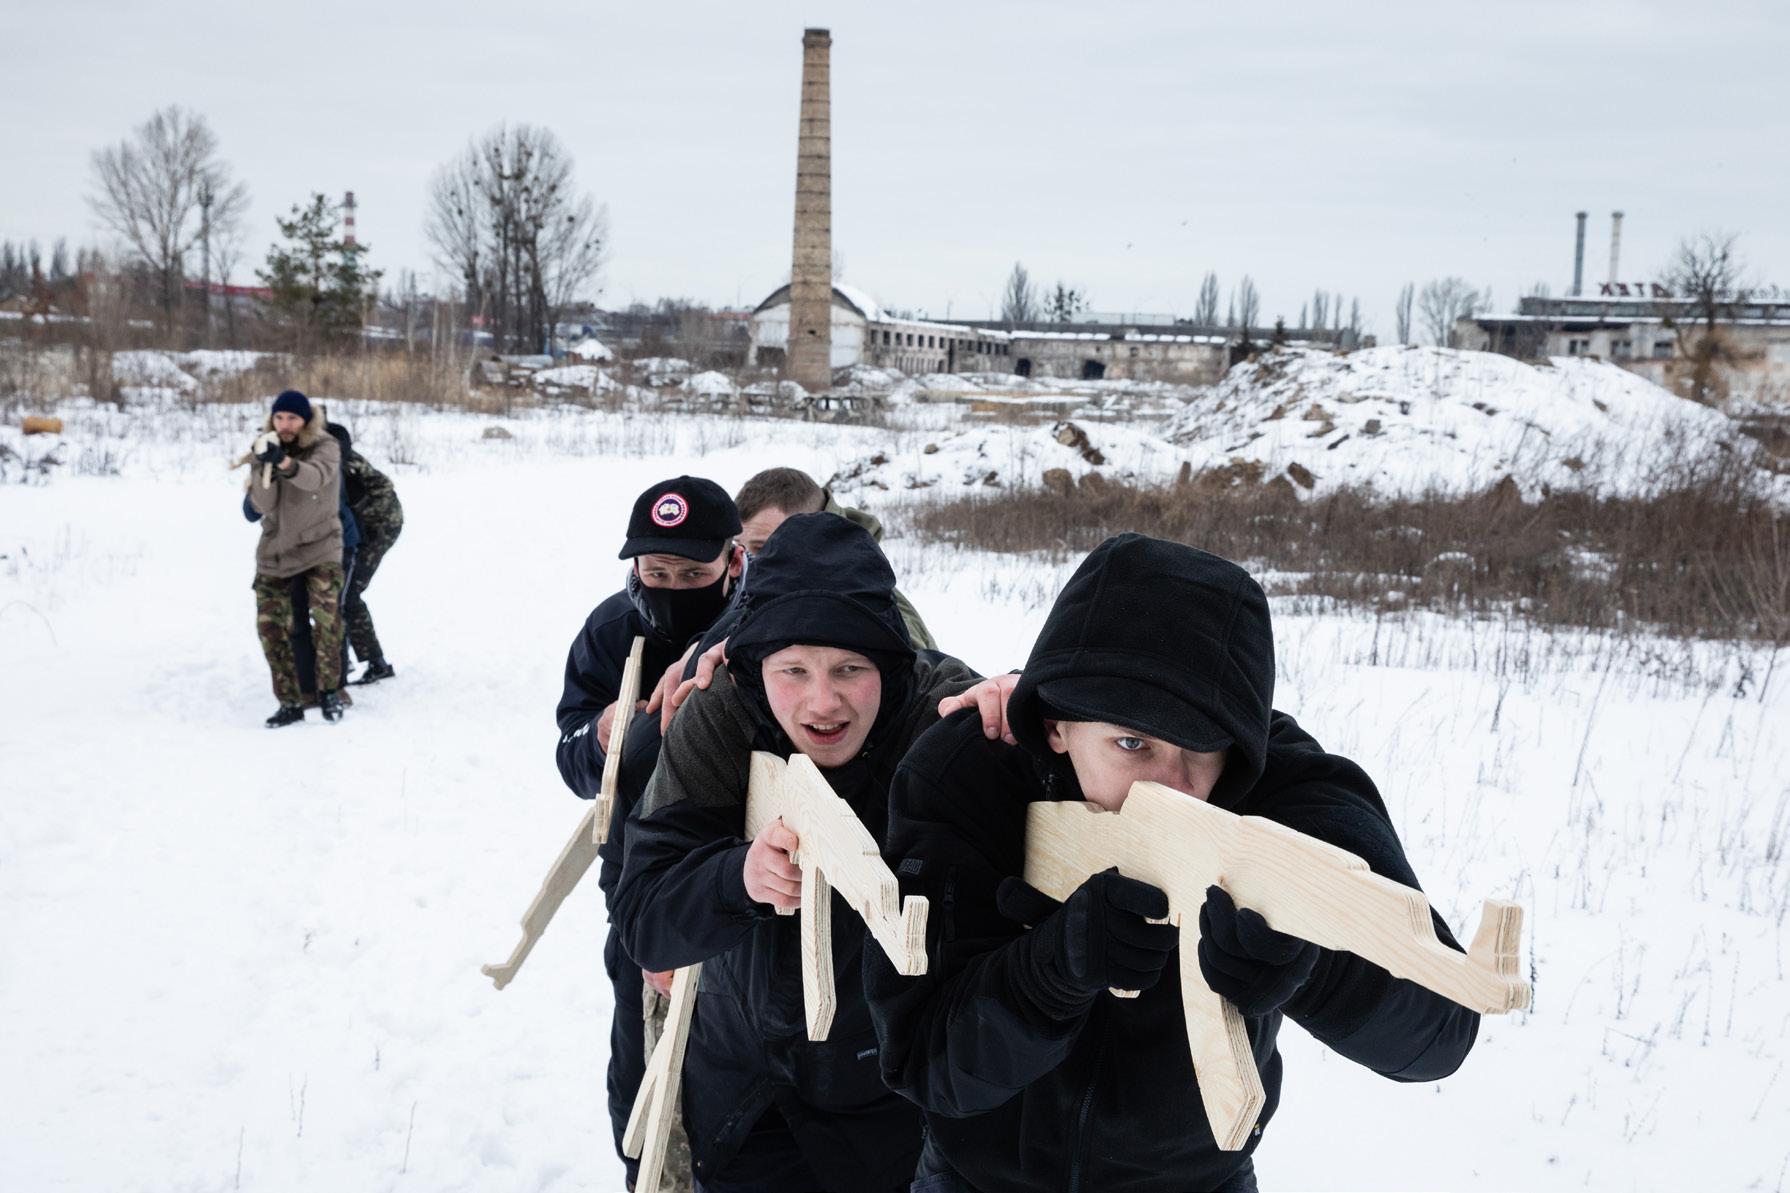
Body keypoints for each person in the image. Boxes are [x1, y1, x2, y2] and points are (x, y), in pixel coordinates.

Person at [865, 534, 1482, 1193]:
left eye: (1202, 747)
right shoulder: (969, 771)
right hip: (979, 1178)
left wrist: (1311, 965)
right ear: (1055, 725)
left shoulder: (1286, 788)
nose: (1171, 786)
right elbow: (922, 1061)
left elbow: (1443, 1025)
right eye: (1132, 743)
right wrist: (1049, 972)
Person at [611, 514, 978, 1192]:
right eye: (794, 670)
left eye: (849, 668)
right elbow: (642, 912)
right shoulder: (723, 711)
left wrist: (1028, 708)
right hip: (745, 1087)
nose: (822, 700)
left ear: (888, 664)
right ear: (757, 664)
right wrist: (736, 876)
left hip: (885, 1092)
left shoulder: (937, 710)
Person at [556, 475, 742, 1191]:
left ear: (732, 559)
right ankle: (650, 1175)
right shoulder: (611, 629)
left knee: (727, 1065)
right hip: (639, 879)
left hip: (744, 881)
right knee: (640, 1062)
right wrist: (602, 735)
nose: (669, 586)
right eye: (654, 572)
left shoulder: (760, 622)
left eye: (691, 574)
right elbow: (570, 754)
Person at [236, 389, 347, 727]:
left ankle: (329, 691)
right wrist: (264, 467)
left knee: (326, 620)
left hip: (320, 547)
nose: (285, 424)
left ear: (306, 421)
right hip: (276, 552)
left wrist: (284, 462)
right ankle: (290, 702)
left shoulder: (325, 446)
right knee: (270, 628)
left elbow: (314, 479)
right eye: (280, 417)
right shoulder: (264, 447)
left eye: (293, 418)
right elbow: (262, 507)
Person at [733, 466, 935, 650]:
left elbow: (919, 672)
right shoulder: (760, 593)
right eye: (741, 547)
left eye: (764, 547)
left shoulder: (875, 608)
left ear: (816, 534)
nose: (748, 562)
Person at [335, 421, 404, 685]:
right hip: (363, 527)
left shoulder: (343, 463)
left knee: (347, 594)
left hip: (378, 529)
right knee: (341, 594)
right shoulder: (335, 454)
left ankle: (372, 663)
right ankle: (350, 660)